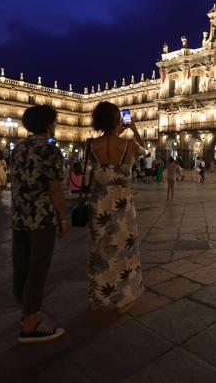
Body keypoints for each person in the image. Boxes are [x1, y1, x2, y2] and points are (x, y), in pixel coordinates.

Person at [10, 105, 67, 343]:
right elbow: (54, 188)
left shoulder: (18, 149)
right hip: (41, 217)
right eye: (53, 121)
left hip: (18, 215)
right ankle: (31, 324)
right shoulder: (50, 150)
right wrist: (63, 217)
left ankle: (25, 311)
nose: (54, 125)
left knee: (21, 264)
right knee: (38, 268)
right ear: (48, 124)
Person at [88, 101, 146, 313]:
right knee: (124, 250)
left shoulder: (90, 145)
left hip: (99, 202)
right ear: (117, 120)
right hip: (122, 204)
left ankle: (98, 298)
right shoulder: (128, 146)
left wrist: (116, 131)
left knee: (100, 249)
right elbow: (144, 150)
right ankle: (123, 298)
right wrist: (132, 128)